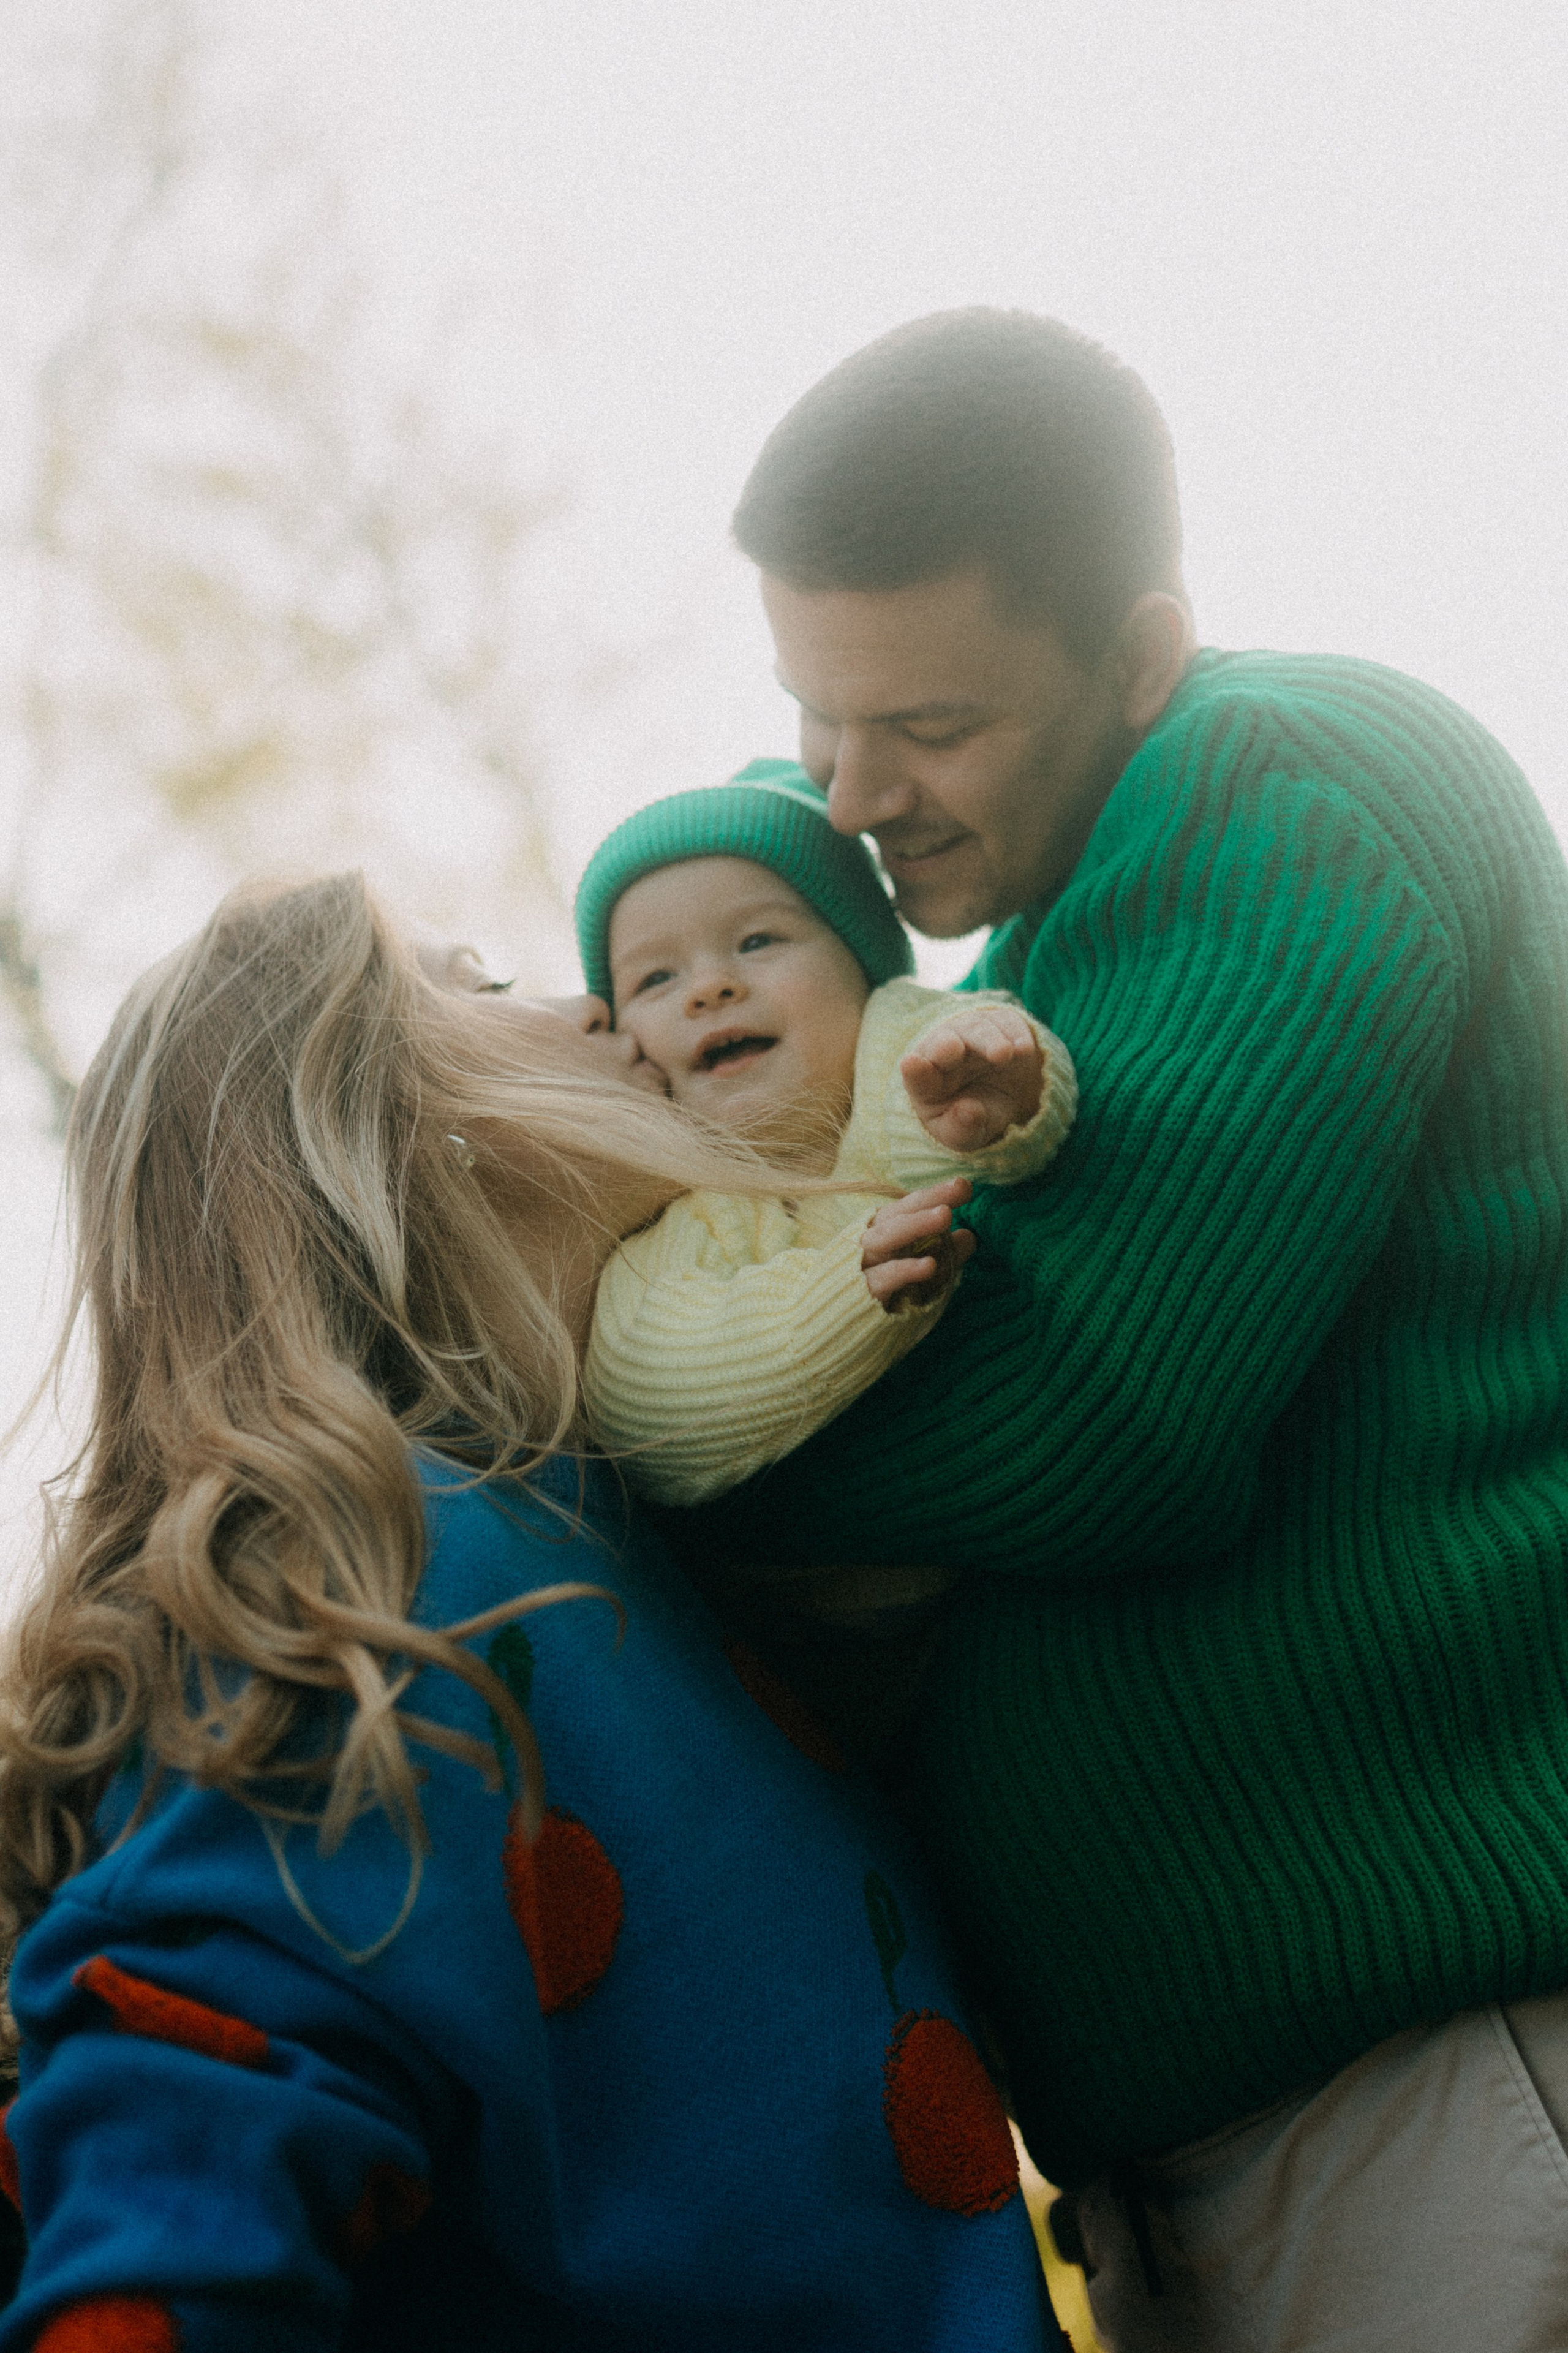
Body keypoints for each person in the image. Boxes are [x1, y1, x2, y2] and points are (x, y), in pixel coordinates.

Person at [668, 308, 1568, 2349]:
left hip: (1448, 2087)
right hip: (1236, 2144)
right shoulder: (1040, 956)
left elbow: (1109, 1419)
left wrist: (638, 1458)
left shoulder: (1287, 775)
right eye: (815, 714)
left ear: (1141, 658)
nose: (851, 793)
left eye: (934, 726)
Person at [0, 873, 1062, 2353]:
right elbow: (178, 2185)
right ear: (366, 1130)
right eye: (481, 976)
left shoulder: (623, 1547)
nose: (592, 1003)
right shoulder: (374, 1577)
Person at [573, 757, 1077, 1511]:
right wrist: (844, 1295)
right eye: (655, 979)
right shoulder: (684, 1202)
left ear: (861, 964)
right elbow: (641, 1390)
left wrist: (1002, 1104)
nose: (711, 988)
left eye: (756, 942)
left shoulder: (903, 1036)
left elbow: (973, 1087)